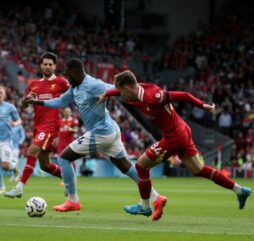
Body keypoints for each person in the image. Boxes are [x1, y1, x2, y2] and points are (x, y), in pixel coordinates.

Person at [25, 58, 166, 221]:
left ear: (77, 73)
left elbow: (117, 88)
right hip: (110, 130)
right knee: (125, 166)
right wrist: (37, 101)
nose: (67, 79)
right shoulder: (74, 87)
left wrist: (140, 90)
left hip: (102, 132)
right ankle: (156, 198)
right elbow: (60, 101)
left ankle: (73, 200)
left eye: (68, 76)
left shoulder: (93, 84)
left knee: (64, 158)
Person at [100, 70, 252, 216]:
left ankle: (144, 206)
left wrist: (202, 105)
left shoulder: (153, 96)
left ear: (127, 87)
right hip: (181, 130)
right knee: (198, 169)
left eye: (121, 91)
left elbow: (184, 96)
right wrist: (106, 93)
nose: (122, 95)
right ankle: (240, 190)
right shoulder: (132, 92)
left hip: (174, 136)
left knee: (141, 165)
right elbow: (117, 91)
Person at [5, 52, 70, 198]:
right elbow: (22, 105)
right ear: (41, 66)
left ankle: (19, 187)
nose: (47, 67)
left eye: (50, 64)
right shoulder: (34, 84)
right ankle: (69, 179)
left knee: (31, 151)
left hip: (51, 125)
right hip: (38, 126)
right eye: (45, 64)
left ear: (54, 66)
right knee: (45, 165)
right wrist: (26, 99)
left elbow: (74, 93)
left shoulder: (61, 82)